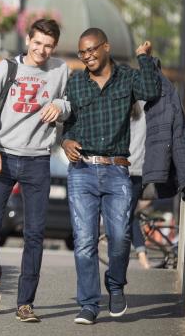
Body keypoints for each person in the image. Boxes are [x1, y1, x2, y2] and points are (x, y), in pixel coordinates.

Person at [0, 19, 70, 323]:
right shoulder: (5, 69)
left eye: (48, 45)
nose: (42, 50)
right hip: (2, 157)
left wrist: (62, 107)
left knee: (35, 234)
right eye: (37, 42)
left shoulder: (60, 70)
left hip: (38, 159)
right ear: (28, 39)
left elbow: (69, 102)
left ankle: (25, 302)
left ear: (54, 47)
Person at [61, 28, 161, 325]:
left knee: (120, 237)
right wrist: (65, 141)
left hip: (117, 169)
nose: (87, 56)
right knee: (84, 242)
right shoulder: (76, 83)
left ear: (106, 47)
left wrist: (144, 58)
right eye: (82, 52)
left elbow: (151, 90)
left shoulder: (128, 78)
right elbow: (70, 123)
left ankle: (115, 285)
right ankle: (89, 304)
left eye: (92, 50)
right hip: (81, 172)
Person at [128, 100, 151, 269]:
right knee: (129, 216)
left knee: (125, 217)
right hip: (139, 169)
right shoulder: (147, 107)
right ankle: (142, 256)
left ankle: (142, 256)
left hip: (121, 168)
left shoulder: (121, 101)